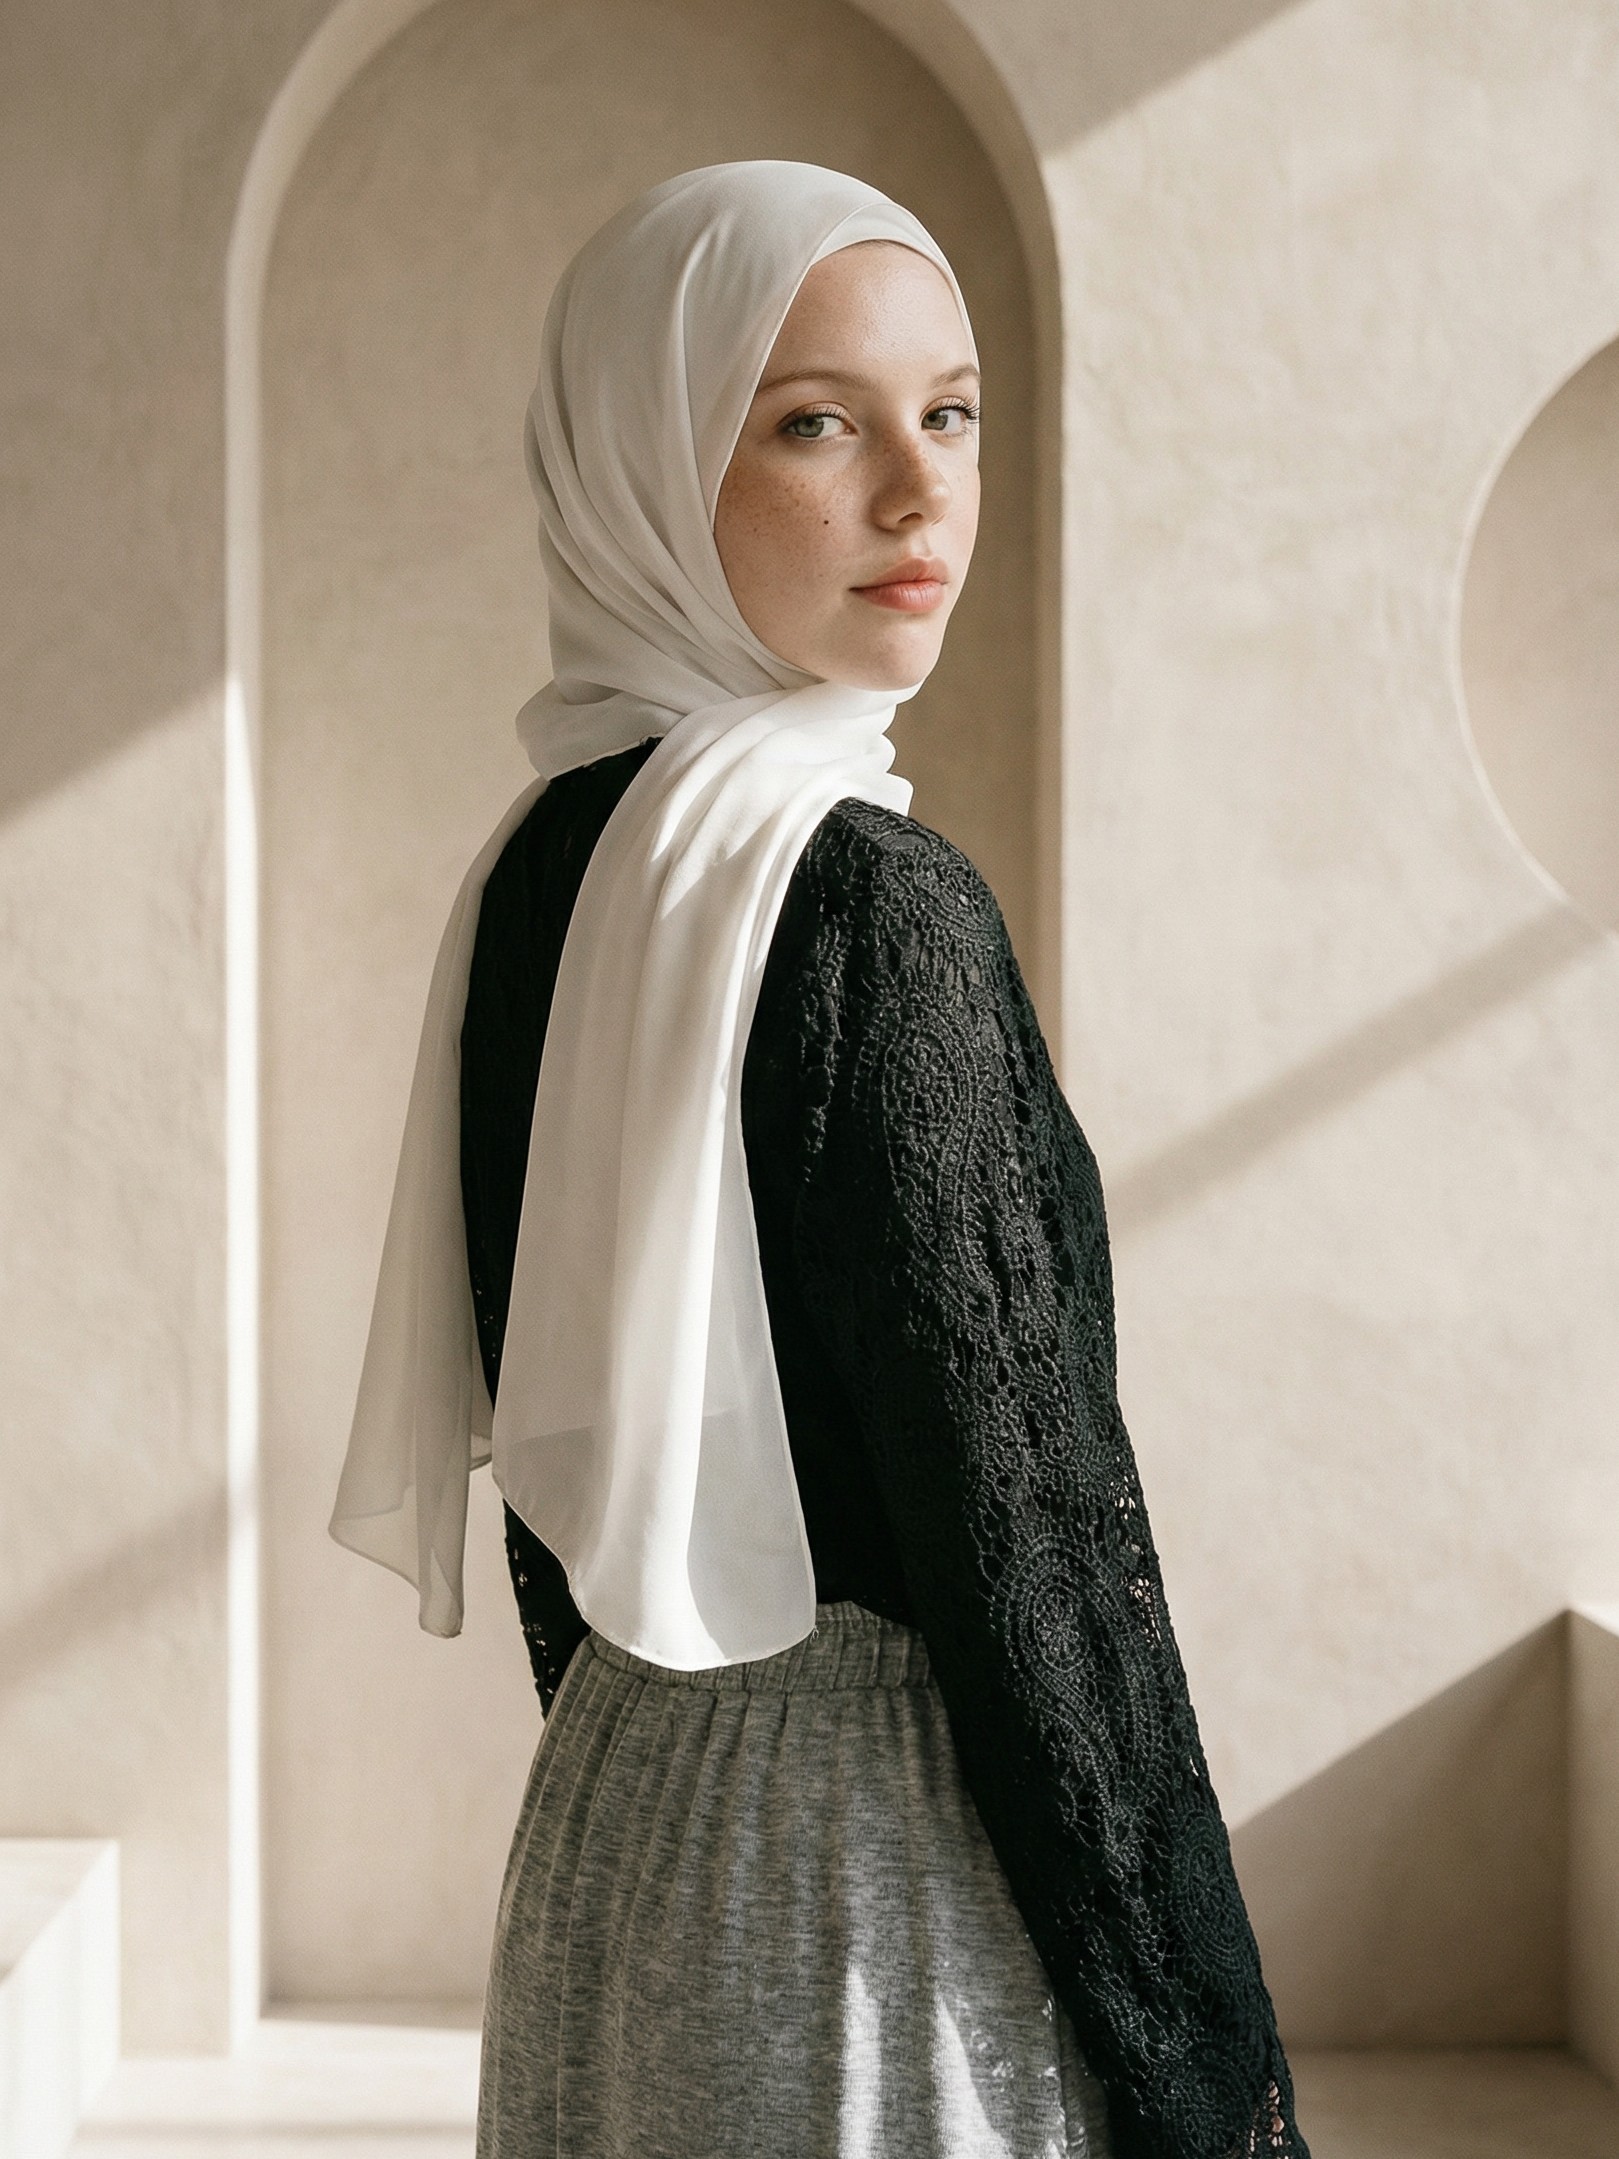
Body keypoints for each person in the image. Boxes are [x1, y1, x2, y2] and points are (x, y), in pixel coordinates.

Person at [331, 161, 1312, 2159]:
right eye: (812, 423)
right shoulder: (868, 906)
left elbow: (558, 1468)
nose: (918, 490)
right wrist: (1220, 2092)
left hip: (616, 1828)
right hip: (882, 1894)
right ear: (644, 462)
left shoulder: (554, 866)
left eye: (949, 412)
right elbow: (1036, 1558)